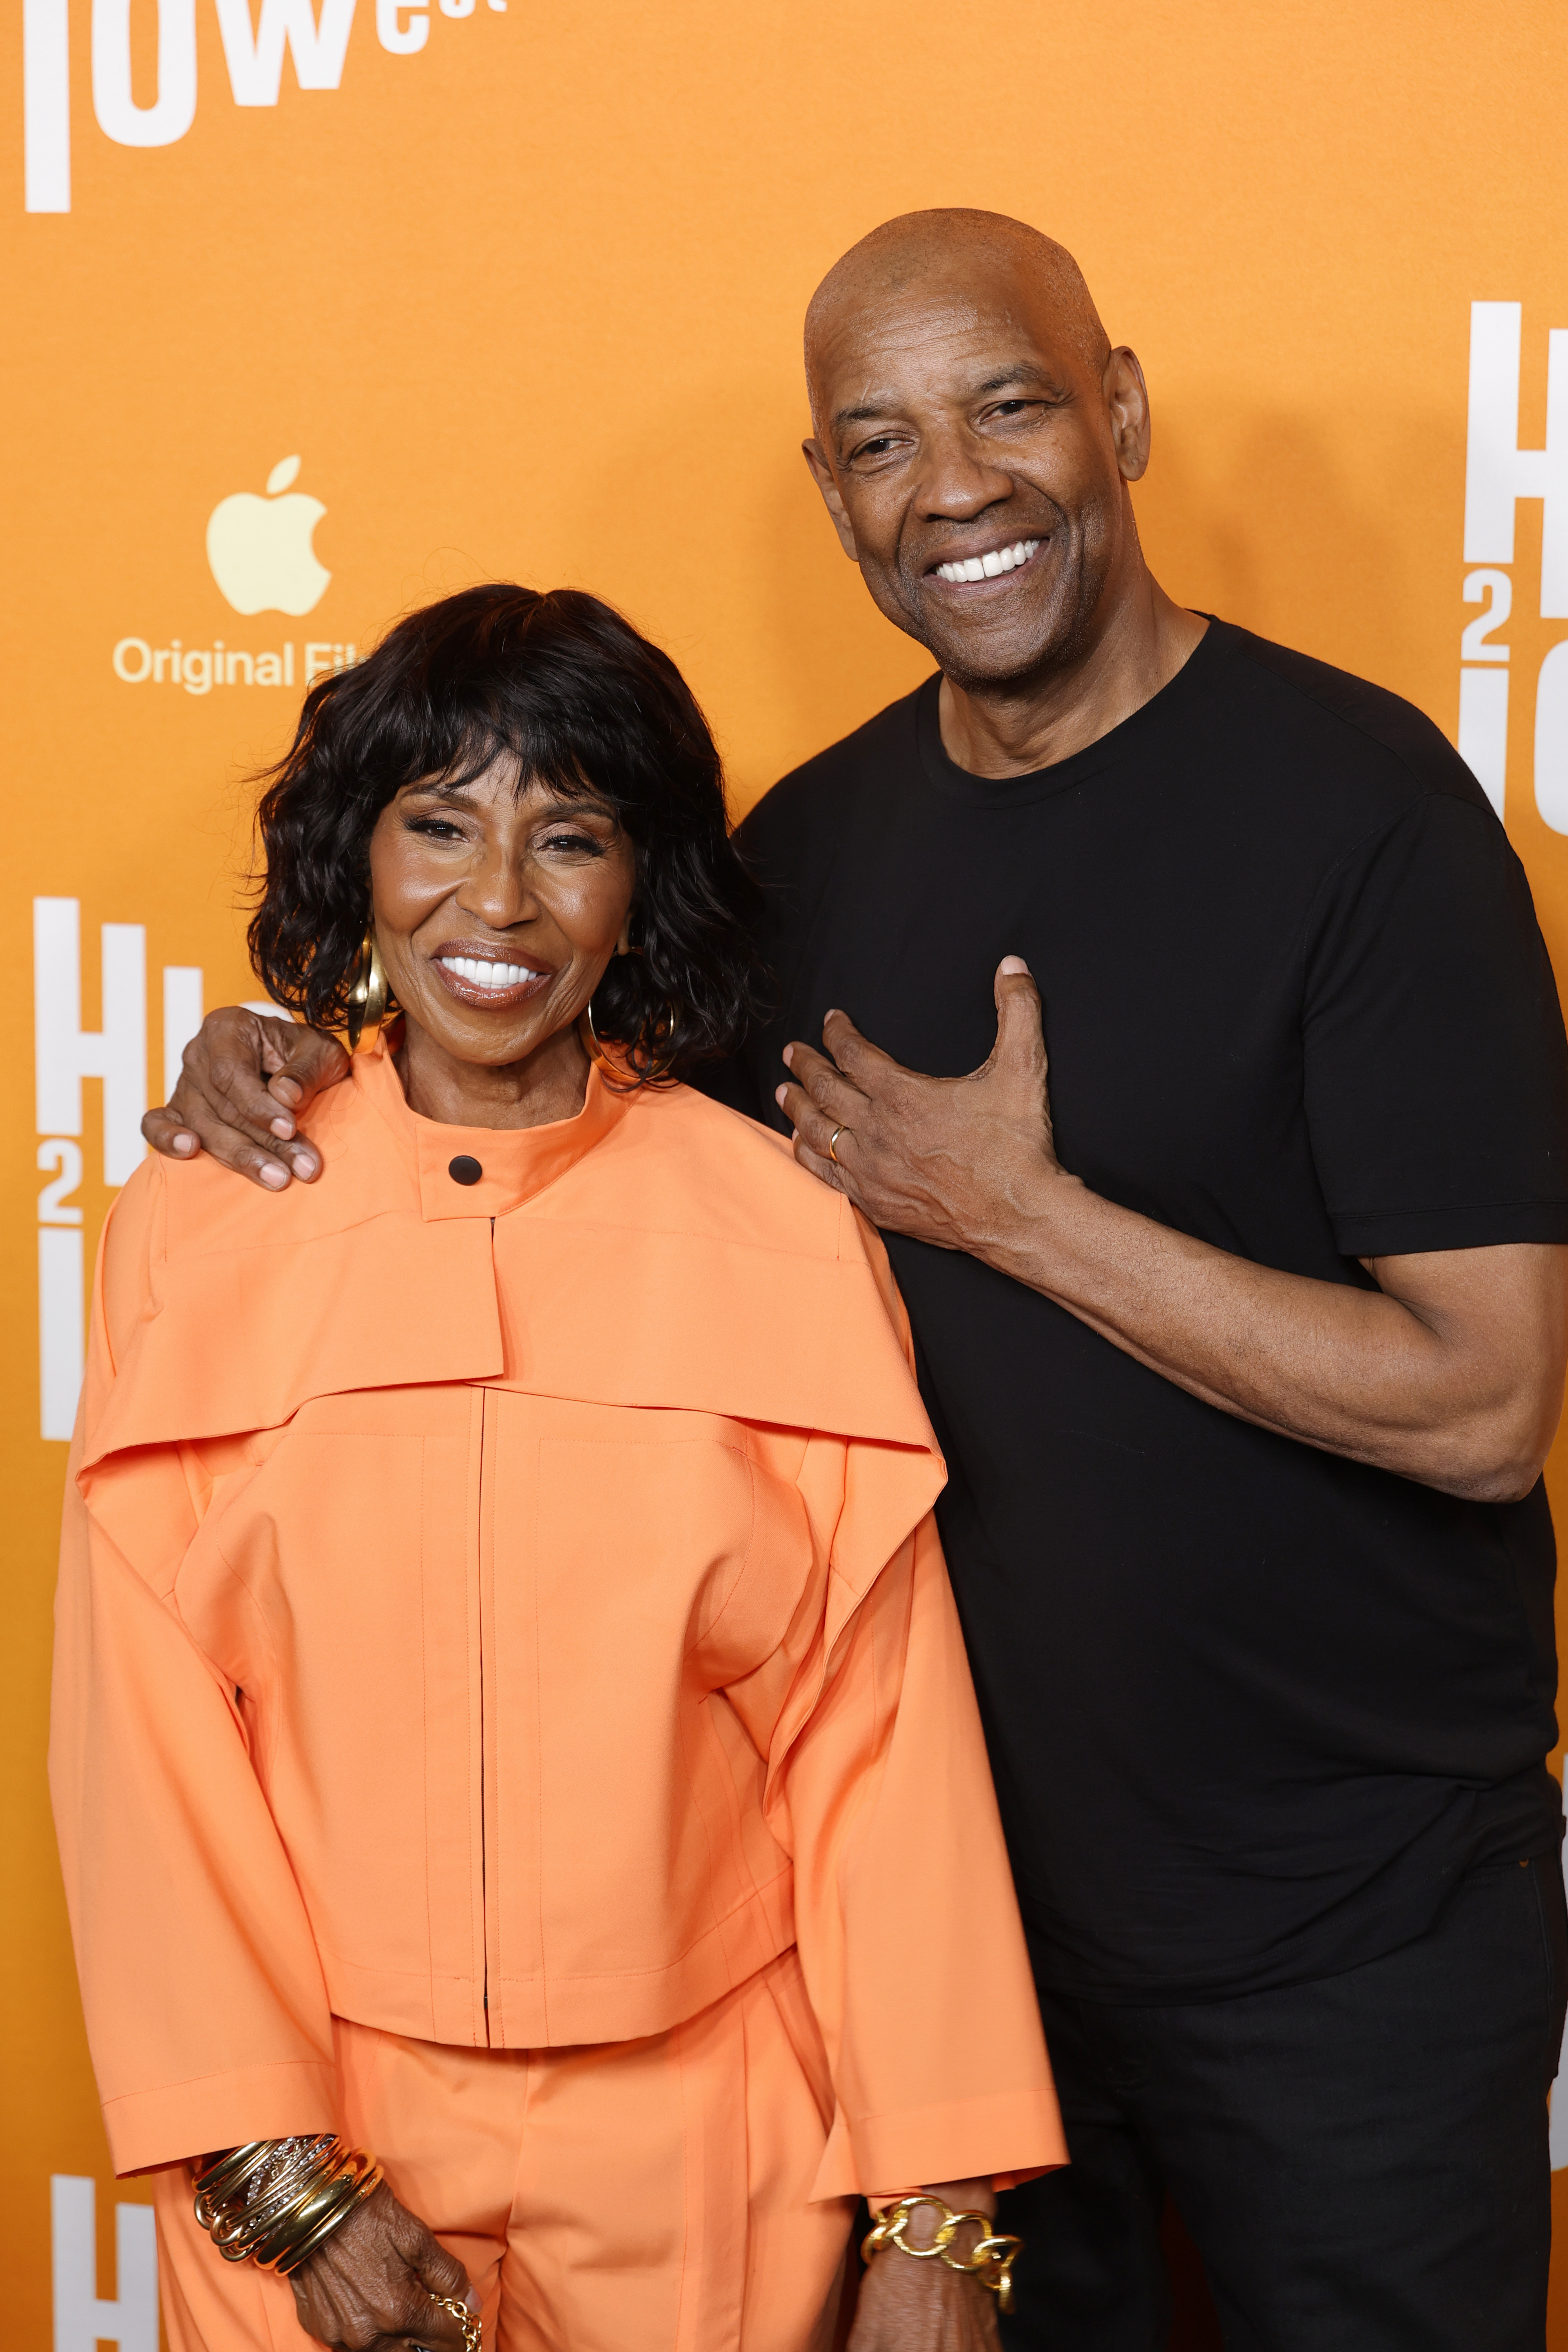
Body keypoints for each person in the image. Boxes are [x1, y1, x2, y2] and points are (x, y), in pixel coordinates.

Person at [148, 212, 1568, 2352]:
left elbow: (1485, 1403)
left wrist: (1020, 1212)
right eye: (885, 441)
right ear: (835, 500)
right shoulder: (801, 859)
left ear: (1125, 412)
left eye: (1011, 405)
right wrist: (286, 1051)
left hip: (1344, 1942)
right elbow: (533, 1090)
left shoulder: (1364, 813)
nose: (958, 487)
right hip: (940, 1976)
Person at [53, 582, 1067, 2352]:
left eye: (570, 839)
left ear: (639, 887)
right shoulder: (202, 1224)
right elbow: (140, 1736)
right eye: (437, 825)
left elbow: (877, 1741)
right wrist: (273, 2168)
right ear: (357, 859)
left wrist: (938, 2207)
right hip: (318, 2129)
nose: (498, 902)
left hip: (715, 2134)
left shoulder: (776, 1222)